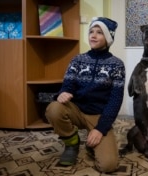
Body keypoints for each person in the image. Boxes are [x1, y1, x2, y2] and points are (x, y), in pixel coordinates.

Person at [45, 17, 125, 173]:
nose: (93, 36)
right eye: (91, 32)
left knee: (108, 165)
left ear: (108, 38)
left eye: (99, 32)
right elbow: (67, 85)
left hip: (98, 115)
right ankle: (71, 142)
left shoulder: (117, 64)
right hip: (76, 109)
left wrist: (101, 128)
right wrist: (63, 92)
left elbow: (115, 100)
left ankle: (92, 143)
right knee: (53, 108)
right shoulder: (78, 60)